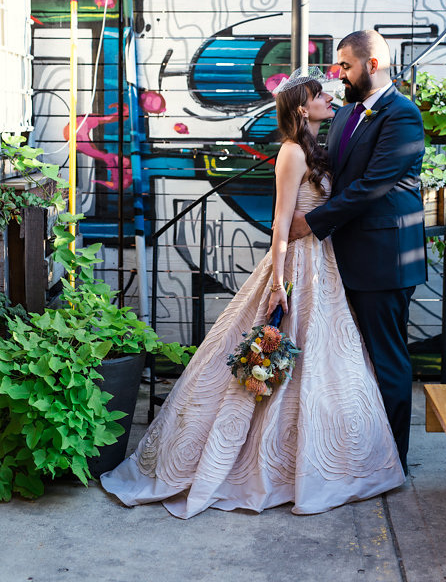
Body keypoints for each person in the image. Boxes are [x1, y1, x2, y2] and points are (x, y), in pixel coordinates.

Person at [100, 67, 405, 519]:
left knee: (324, 362)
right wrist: (279, 280)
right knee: (284, 354)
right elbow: (281, 222)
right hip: (298, 263)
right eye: (321, 95)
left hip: (324, 264)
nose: (330, 100)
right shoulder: (291, 154)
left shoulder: (313, 148)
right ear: (304, 107)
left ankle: (319, 458)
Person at [289, 31, 427, 473]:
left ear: (372, 64)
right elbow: (335, 172)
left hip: (383, 258)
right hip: (339, 258)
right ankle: (359, 452)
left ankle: (392, 462)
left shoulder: (402, 115)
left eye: (345, 65)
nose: (339, 74)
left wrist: (310, 221)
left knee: (385, 358)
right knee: (354, 360)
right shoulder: (346, 112)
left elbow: (373, 186)